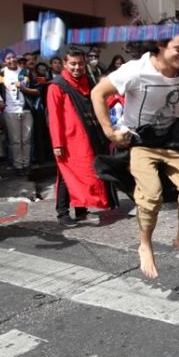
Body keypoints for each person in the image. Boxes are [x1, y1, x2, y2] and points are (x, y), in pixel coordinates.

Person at [90, 28, 179, 279]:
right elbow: (98, 92)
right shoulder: (135, 71)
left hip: (172, 139)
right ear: (161, 45)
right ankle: (145, 244)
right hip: (142, 141)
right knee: (151, 196)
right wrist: (110, 132)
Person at [48, 49, 114, 226]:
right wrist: (57, 143)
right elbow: (54, 118)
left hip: (87, 136)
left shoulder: (87, 81)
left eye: (80, 64)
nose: (77, 67)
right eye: (73, 64)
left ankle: (81, 209)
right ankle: (62, 213)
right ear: (65, 64)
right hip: (69, 140)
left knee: (85, 173)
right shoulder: (56, 86)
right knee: (65, 175)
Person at [0, 49, 38, 174]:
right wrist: (0, 101)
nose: (11, 60)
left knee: (27, 140)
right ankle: (18, 166)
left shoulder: (26, 72)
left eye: (13, 57)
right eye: (8, 58)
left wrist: (23, 88)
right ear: (4, 61)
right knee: (15, 140)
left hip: (26, 109)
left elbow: (37, 90)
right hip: (9, 111)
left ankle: (26, 164)